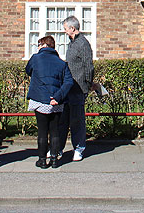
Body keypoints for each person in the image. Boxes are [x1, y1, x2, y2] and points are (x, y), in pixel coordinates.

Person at [26, 35, 73, 169]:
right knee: (55, 131)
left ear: (45, 45)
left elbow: (28, 70)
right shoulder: (61, 63)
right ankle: (54, 159)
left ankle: (42, 160)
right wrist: (58, 96)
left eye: (39, 45)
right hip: (56, 101)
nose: (38, 47)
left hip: (40, 100)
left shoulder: (35, 59)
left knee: (42, 131)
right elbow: (68, 82)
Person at [58, 15, 94, 162]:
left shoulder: (83, 44)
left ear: (73, 28)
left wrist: (87, 84)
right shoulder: (71, 43)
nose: (65, 32)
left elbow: (89, 66)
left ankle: (78, 149)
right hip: (68, 87)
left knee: (77, 121)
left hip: (78, 88)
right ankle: (58, 149)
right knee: (63, 120)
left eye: (66, 29)